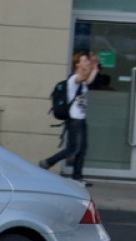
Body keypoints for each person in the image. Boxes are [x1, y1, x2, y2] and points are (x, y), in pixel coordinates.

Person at [39, 50, 96, 183]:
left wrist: (94, 67)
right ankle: (48, 162)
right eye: (84, 61)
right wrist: (91, 67)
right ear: (77, 64)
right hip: (74, 120)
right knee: (73, 148)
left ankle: (77, 177)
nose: (87, 62)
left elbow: (89, 79)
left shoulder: (82, 83)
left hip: (81, 119)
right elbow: (84, 77)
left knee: (82, 149)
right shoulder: (73, 80)